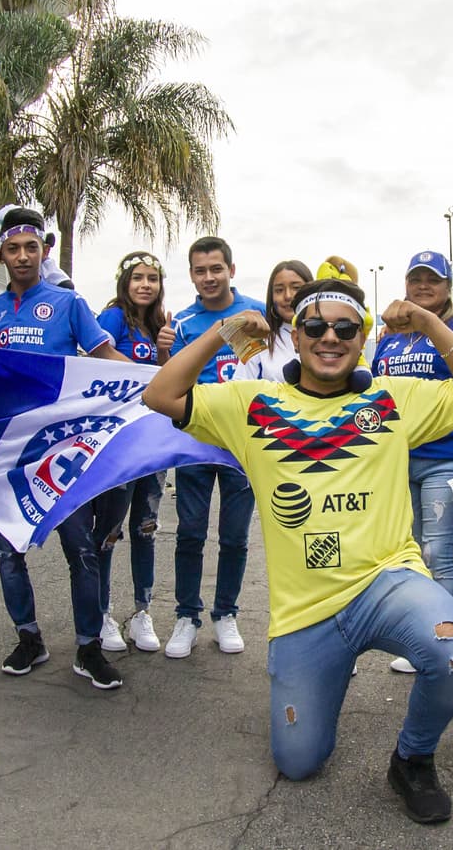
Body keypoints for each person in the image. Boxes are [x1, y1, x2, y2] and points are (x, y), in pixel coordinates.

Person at [142, 279, 453, 823]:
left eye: (344, 328)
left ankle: (412, 758)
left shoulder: (390, 399)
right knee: (299, 761)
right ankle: (323, 687)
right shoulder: (252, 404)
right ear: (296, 333)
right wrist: (225, 330)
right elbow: (161, 395)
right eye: (314, 326)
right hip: (304, 613)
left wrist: (429, 322)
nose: (328, 338)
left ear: (362, 340)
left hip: (387, 583)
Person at [0, 205, 131, 690]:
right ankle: (29, 638)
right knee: (8, 550)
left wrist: (154, 383)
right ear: (1, 254)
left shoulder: (68, 304)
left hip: (63, 453)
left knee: (81, 550)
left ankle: (88, 649)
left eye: (31, 247)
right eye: (12, 248)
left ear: (44, 251)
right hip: (12, 454)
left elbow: (106, 356)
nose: (23, 256)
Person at [372, 250, 453, 674]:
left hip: (447, 459)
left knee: (437, 552)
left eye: (434, 280)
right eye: (416, 279)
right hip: (399, 462)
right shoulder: (388, 336)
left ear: (448, 287)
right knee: (411, 555)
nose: (424, 287)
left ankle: (446, 642)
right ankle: (422, 638)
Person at [159, 237, 265, 658]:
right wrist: (166, 352)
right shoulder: (182, 323)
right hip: (195, 443)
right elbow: (172, 384)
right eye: (200, 271)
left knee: (235, 537)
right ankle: (187, 615)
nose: (209, 277)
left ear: (231, 271)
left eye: (216, 269)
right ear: (191, 275)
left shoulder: (255, 313)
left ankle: (226, 614)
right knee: (189, 533)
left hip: (242, 445)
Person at [94, 250, 170, 652]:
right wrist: (147, 376)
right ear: (125, 282)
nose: (145, 284)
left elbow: (170, 377)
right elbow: (98, 360)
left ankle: (142, 612)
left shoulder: (162, 323)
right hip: (118, 445)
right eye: (138, 277)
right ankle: (102, 613)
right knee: (108, 531)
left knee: (146, 529)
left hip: (152, 442)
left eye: (153, 279)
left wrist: (162, 351)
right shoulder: (111, 319)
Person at [232, 259, 312, 382]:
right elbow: (238, 388)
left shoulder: (330, 334)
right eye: (279, 290)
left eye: (296, 288)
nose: (288, 296)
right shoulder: (256, 340)